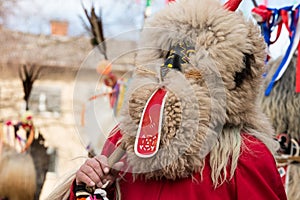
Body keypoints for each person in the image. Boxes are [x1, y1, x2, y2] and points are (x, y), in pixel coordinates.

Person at [68, 0, 287, 199]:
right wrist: (84, 186)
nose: (170, 72)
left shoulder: (246, 158)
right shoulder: (125, 141)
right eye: (167, 59)